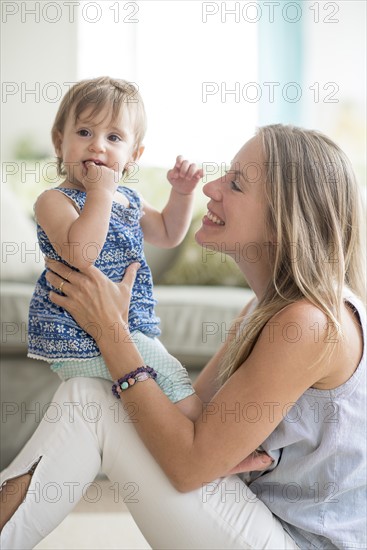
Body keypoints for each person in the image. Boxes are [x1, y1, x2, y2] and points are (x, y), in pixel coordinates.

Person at [1, 124, 366, 549]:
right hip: (264, 521)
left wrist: (110, 331)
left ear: (284, 219)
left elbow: (187, 465)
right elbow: (187, 419)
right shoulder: (264, 311)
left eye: (236, 184)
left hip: (298, 542)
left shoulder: (308, 323)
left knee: (90, 401)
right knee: (90, 394)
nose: (211, 188)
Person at [27, 75, 204, 419]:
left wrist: (182, 195)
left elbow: (167, 234)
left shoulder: (128, 199)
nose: (97, 146)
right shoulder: (55, 200)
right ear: (59, 141)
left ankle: (191, 447)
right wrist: (101, 194)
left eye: (113, 137)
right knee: (172, 381)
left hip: (129, 325)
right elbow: (81, 254)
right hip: (79, 334)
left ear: (133, 155)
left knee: (150, 392)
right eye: (84, 133)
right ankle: (213, 445)